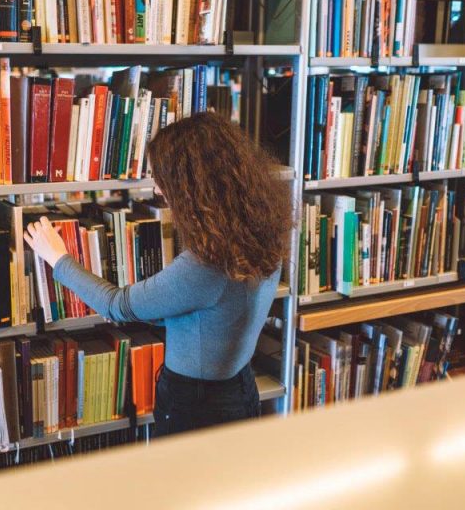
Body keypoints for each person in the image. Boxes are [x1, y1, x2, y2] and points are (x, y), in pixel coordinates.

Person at [23, 112, 292, 437]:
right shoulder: (263, 237)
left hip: (197, 404)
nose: (157, 189)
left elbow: (117, 305)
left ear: (190, 186)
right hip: (241, 387)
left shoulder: (206, 265)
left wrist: (58, 257)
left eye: (162, 179)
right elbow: (212, 314)